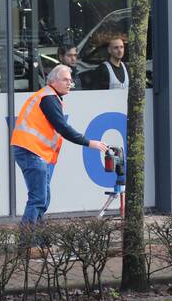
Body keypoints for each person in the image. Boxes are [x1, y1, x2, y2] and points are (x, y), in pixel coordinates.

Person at [11, 64, 109, 223]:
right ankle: (27, 237)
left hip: (33, 151)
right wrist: (89, 143)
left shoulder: (49, 97)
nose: (69, 83)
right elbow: (62, 128)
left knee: (43, 199)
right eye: (65, 80)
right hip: (31, 151)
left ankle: (36, 235)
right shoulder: (48, 98)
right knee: (38, 199)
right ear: (52, 81)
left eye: (70, 80)